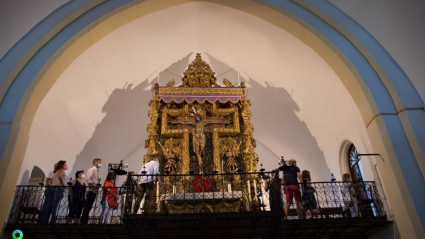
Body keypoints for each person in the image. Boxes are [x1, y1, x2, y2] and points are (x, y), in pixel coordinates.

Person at [80, 158, 102, 224]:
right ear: (95, 163)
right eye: (99, 162)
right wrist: (94, 186)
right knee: (87, 206)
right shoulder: (91, 169)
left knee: (90, 206)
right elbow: (88, 179)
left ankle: (85, 219)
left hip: (94, 191)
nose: (100, 164)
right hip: (90, 190)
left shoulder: (97, 171)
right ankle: (83, 220)